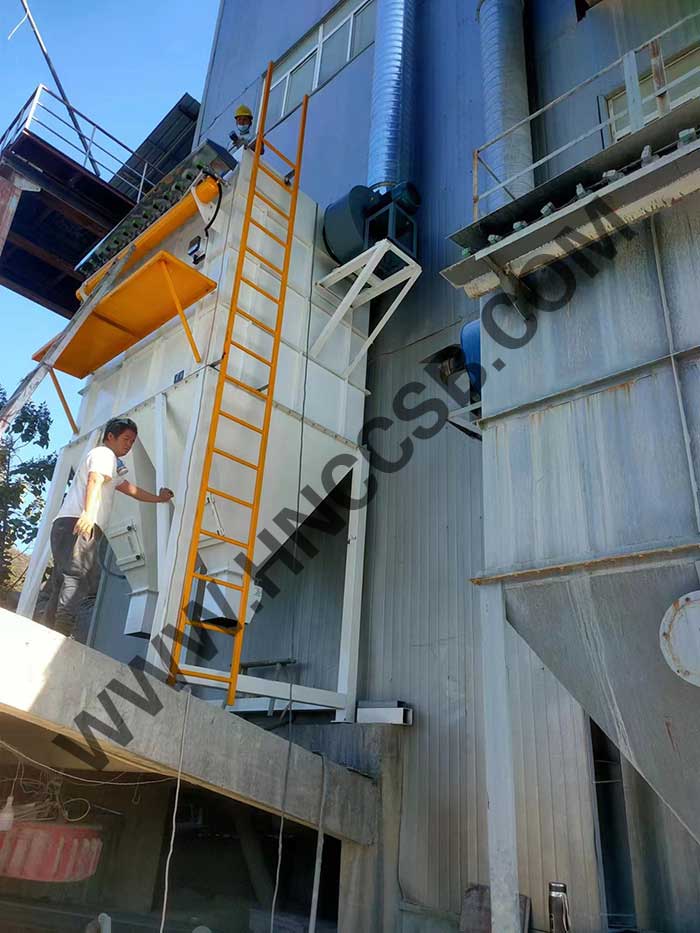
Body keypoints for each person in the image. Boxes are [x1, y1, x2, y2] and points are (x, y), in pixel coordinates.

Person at [38, 417, 173, 640]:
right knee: (77, 575)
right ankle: (61, 630)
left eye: (132, 441)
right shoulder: (104, 454)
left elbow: (129, 489)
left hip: (68, 523)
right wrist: (88, 513)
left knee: (63, 578)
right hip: (80, 522)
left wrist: (159, 499)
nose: (129, 445)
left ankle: (49, 629)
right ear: (110, 436)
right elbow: (95, 480)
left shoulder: (111, 462)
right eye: (126, 439)